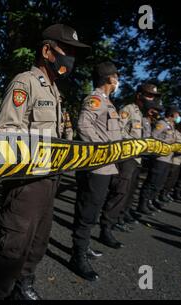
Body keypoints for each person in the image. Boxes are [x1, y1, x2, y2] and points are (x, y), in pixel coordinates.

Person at [0, 24, 90, 300]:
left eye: (74, 52)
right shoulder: (25, 82)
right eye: (67, 50)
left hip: (51, 179)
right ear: (47, 51)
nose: (71, 58)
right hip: (26, 181)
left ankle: (22, 286)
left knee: (37, 242)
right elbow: (5, 133)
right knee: (13, 245)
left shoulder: (55, 91)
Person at [70, 61, 122, 282]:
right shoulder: (95, 99)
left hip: (107, 166)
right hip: (97, 166)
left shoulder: (108, 103)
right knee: (87, 211)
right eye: (117, 76)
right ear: (110, 78)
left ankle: (85, 245)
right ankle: (77, 256)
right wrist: (103, 149)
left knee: (94, 209)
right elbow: (83, 126)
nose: (118, 80)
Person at [104, 83, 162, 232]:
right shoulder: (128, 109)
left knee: (130, 192)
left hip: (137, 158)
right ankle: (106, 227)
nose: (152, 99)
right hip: (127, 158)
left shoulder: (142, 114)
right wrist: (136, 143)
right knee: (119, 192)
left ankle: (119, 218)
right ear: (139, 95)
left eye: (154, 97)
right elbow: (118, 132)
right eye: (149, 96)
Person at [137, 106, 181, 215]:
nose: (178, 116)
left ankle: (149, 201)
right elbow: (153, 137)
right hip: (159, 158)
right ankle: (142, 204)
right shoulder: (162, 124)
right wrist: (166, 141)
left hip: (168, 159)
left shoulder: (172, 125)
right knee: (152, 181)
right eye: (177, 114)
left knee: (159, 183)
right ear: (172, 114)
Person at [160, 122, 181, 202]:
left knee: (173, 180)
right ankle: (162, 194)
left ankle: (166, 193)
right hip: (173, 159)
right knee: (169, 178)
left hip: (179, 160)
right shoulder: (176, 133)